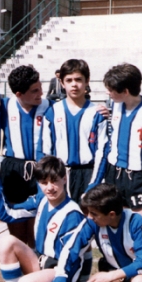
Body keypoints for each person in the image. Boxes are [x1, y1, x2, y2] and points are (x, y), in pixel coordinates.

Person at [0, 156, 92, 282]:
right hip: (42, 262)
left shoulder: (72, 214)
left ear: (65, 178)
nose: (49, 188)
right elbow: (7, 213)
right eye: (44, 183)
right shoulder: (41, 201)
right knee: (6, 242)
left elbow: (71, 255)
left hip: (63, 271)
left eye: (54, 181)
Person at [93, 63, 142, 227]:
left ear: (125, 91)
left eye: (111, 89)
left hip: (139, 176)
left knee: (139, 230)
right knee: (115, 228)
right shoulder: (115, 105)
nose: (108, 93)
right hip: (114, 173)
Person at [38, 59, 108, 202]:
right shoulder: (52, 113)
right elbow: (45, 151)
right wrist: (49, 179)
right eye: (69, 80)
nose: (74, 84)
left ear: (87, 81)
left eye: (78, 79)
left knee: (89, 220)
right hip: (60, 174)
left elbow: (102, 152)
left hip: (89, 173)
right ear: (62, 83)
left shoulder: (97, 113)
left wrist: (94, 183)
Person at [0, 65, 51, 248]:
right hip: (13, 169)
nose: (40, 93)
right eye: (34, 91)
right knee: (17, 232)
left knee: (37, 231)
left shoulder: (49, 106)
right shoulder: (4, 106)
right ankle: (20, 274)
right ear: (19, 94)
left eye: (40, 88)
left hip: (41, 168)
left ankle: (38, 272)